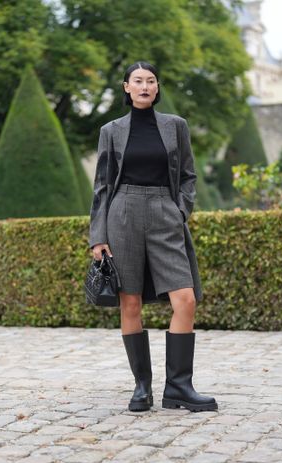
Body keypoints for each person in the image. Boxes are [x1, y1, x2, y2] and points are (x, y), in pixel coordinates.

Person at [89, 61, 218, 413]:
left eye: (150, 81)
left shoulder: (176, 126)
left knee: (185, 298)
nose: (145, 86)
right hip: (123, 212)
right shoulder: (110, 130)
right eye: (137, 81)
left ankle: (178, 386)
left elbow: (189, 176)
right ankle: (141, 387)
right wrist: (97, 236)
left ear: (157, 87)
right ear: (126, 88)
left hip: (165, 211)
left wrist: (180, 210)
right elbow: (101, 186)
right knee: (130, 302)